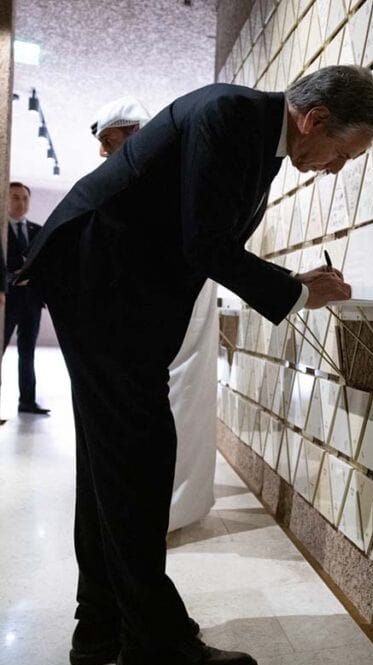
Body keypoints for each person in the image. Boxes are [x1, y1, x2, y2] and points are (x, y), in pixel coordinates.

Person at [19, 65, 373, 665]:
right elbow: (203, 244)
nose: (336, 166)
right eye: (342, 153)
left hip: (104, 287)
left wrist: (289, 285)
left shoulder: (255, 132)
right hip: (99, 283)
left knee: (113, 462)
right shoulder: (230, 116)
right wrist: (295, 294)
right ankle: (153, 650)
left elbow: (198, 235)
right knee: (140, 460)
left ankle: (104, 622)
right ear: (315, 118)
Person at [92, 97, 216, 532]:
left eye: (111, 141)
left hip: (179, 304)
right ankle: (155, 507)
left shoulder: (171, 172)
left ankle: (170, 508)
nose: (105, 153)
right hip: (157, 309)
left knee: (181, 402)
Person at [2, 181, 49, 415]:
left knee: (27, 352)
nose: (21, 202)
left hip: (31, 303)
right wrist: (12, 279)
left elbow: (42, 267)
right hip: (6, 302)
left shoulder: (37, 231)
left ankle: (27, 401)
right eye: (15, 197)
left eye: (24, 198)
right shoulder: (1, 231)